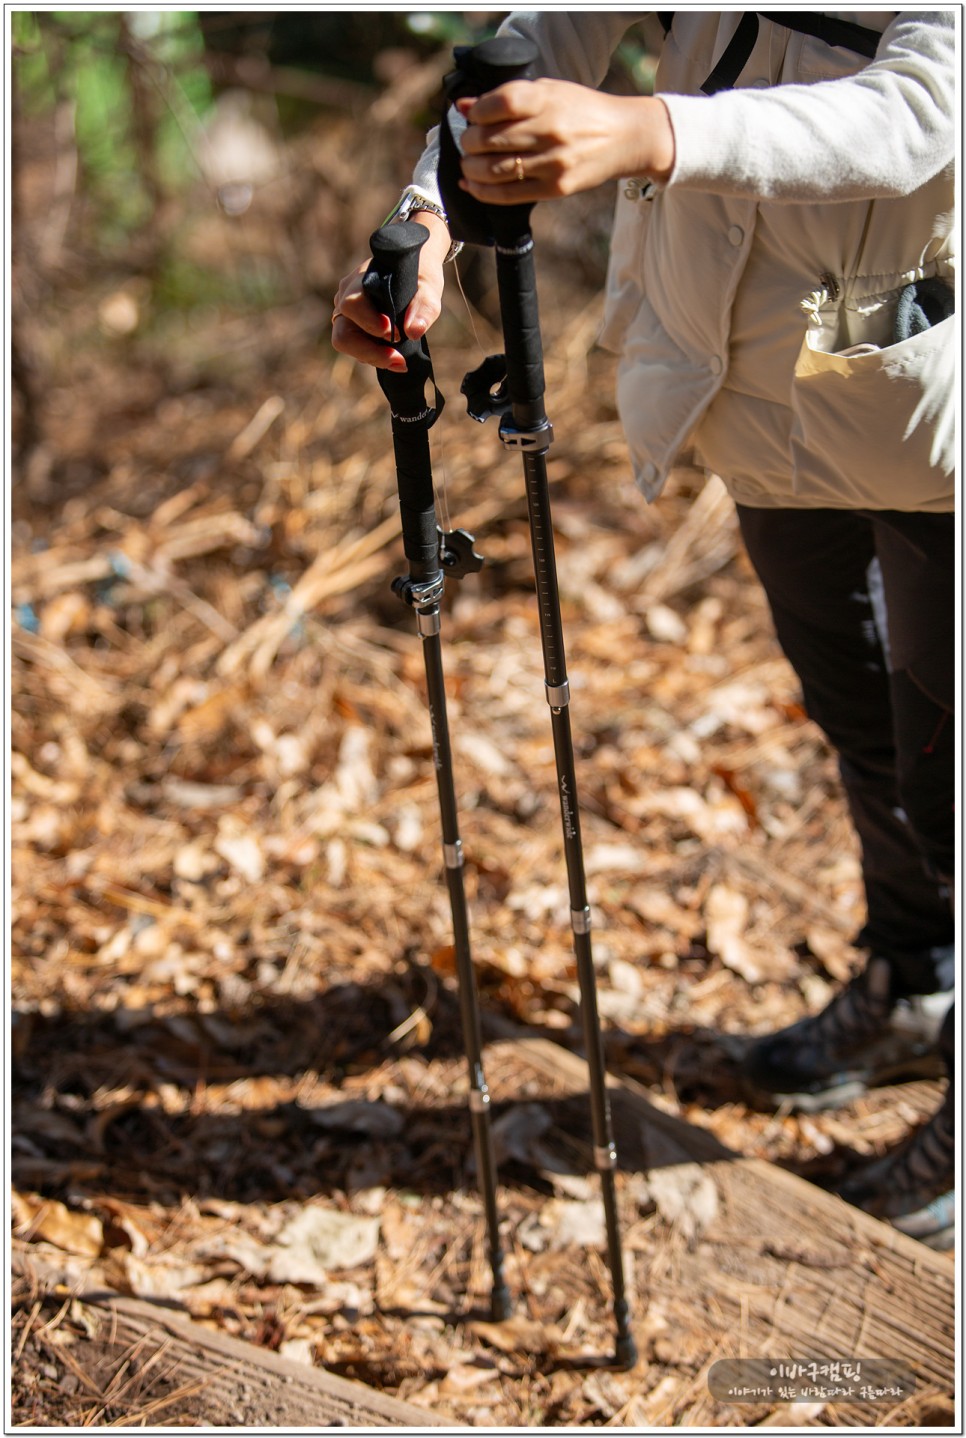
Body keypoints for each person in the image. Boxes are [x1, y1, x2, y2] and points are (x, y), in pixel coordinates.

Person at [332, 12, 956, 1248]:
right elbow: (536, 37)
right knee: (863, 724)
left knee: (952, 763)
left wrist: (648, 130)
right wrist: (431, 222)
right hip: (766, 389)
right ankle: (916, 984)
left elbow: (925, 104)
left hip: (932, 393)